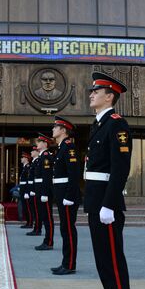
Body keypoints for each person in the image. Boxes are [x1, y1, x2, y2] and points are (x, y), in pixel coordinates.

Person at [83, 72, 133, 289]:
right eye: (92, 91)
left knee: (113, 261)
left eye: (96, 91)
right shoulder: (98, 124)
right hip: (95, 202)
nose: (91, 94)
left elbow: (120, 168)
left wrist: (109, 204)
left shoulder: (117, 124)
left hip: (106, 205)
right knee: (103, 262)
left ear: (109, 95)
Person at [50, 116, 81, 275]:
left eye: (55, 127)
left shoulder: (69, 147)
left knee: (68, 229)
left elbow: (74, 174)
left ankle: (69, 264)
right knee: (64, 228)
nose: (53, 130)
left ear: (63, 130)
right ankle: (65, 262)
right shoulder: (62, 147)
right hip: (62, 194)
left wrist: (69, 196)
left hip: (67, 196)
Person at [32, 133, 55, 251]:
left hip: (44, 190)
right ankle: (47, 240)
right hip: (40, 189)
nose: (37, 143)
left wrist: (45, 193)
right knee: (43, 215)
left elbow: (47, 176)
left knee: (47, 217)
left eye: (40, 141)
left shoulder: (46, 156)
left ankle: (49, 241)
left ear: (45, 144)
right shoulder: (42, 157)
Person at [25, 145, 42, 236]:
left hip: (35, 189)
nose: (31, 153)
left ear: (36, 152)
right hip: (32, 189)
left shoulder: (38, 161)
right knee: (34, 210)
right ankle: (36, 228)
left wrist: (34, 190)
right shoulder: (34, 162)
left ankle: (38, 228)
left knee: (36, 210)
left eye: (32, 151)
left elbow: (37, 178)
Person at [19, 152, 33, 228]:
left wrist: (27, 192)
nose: (21, 159)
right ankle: (28, 222)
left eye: (22, 157)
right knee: (25, 207)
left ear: (26, 159)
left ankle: (30, 223)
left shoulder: (28, 167)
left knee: (28, 208)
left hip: (26, 190)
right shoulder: (25, 167)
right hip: (23, 189)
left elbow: (28, 181)